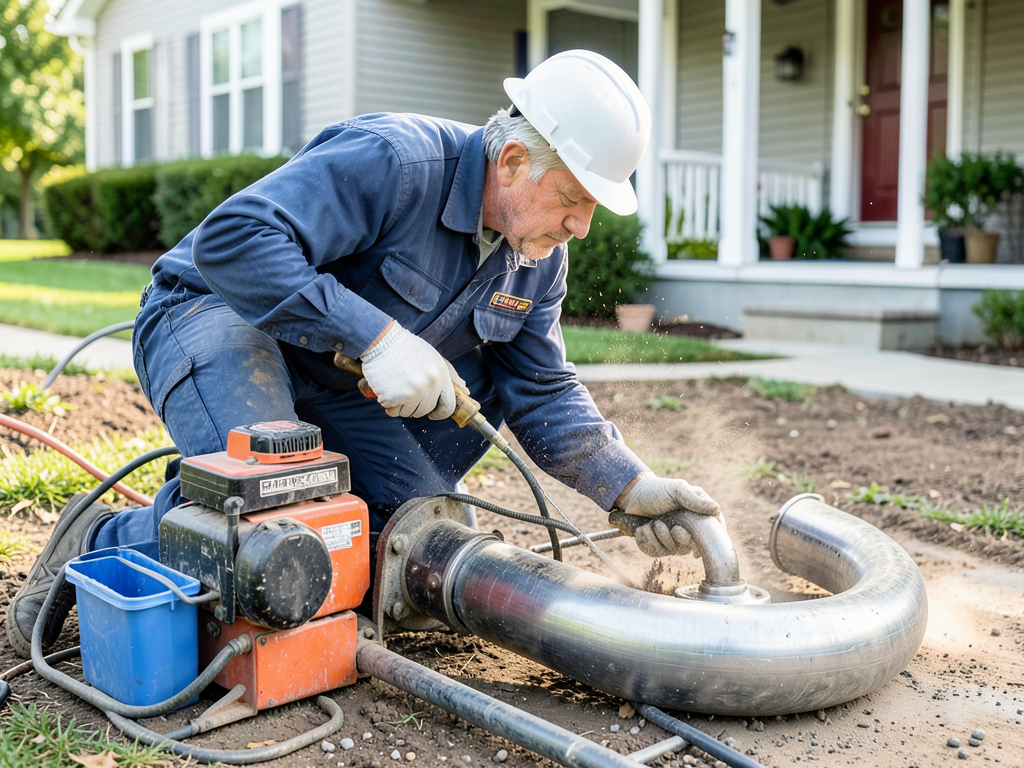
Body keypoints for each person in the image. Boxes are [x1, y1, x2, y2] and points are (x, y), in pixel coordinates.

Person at [7, 50, 721, 659]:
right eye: (573, 198)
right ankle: (103, 538)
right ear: (511, 161)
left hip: (329, 384)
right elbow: (234, 241)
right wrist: (377, 337)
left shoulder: (535, 262)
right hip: (215, 318)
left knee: (412, 544)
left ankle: (219, 525)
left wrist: (627, 485)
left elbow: (541, 389)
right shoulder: (397, 161)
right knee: (277, 517)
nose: (582, 226)